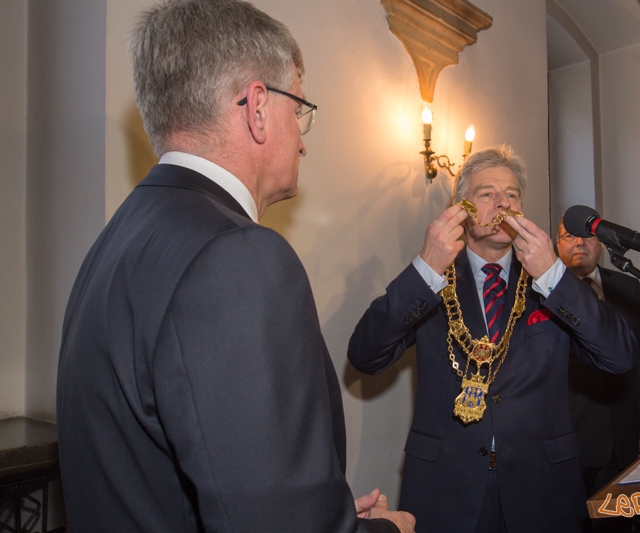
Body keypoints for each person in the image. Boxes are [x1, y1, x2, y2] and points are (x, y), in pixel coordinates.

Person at [55, 1, 414, 532]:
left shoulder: (119, 238)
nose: (304, 139)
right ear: (259, 108)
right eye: (301, 109)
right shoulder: (238, 257)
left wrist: (325, 511)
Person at [347, 146, 636, 533]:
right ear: (462, 209)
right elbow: (366, 354)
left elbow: (619, 357)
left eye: (512, 194)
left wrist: (553, 274)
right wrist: (425, 268)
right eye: (487, 194)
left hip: (542, 487)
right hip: (447, 486)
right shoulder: (434, 280)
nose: (502, 203)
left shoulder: (547, 281)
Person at [555, 217, 640, 532]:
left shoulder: (626, 286)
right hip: (569, 438)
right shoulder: (541, 292)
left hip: (623, 436)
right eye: (568, 236)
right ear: (557, 244)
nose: (579, 243)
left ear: (601, 243)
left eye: (587, 237)